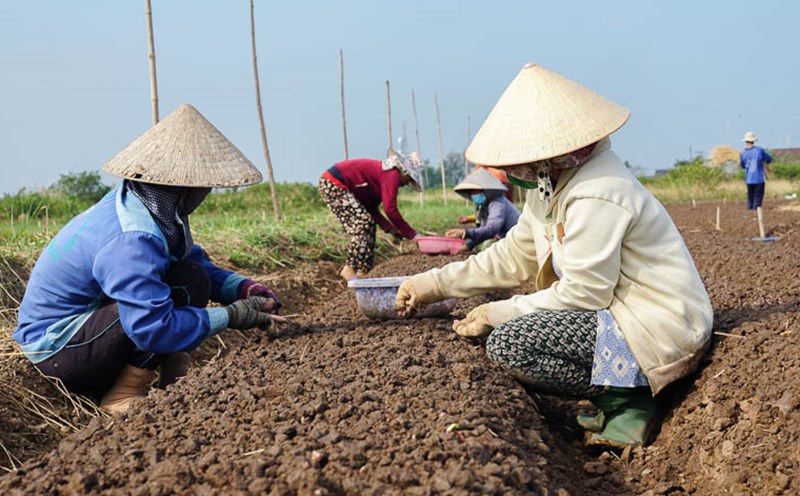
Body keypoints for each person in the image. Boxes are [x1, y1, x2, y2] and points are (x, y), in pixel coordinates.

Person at [396, 63, 713, 448]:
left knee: (511, 343)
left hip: (658, 325)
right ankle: (618, 394)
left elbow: (584, 293)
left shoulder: (598, 192)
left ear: (547, 157)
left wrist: (496, 312)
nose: (514, 171)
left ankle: (631, 400)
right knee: (510, 334)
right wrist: (433, 283)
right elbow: (514, 254)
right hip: (623, 316)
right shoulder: (551, 187)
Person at [13, 104, 283, 414]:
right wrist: (230, 316)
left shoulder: (146, 209)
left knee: (191, 276)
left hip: (88, 330)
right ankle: (126, 390)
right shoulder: (133, 237)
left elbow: (191, 263)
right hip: (61, 349)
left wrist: (242, 288)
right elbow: (149, 326)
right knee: (174, 294)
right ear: (185, 190)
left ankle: (174, 373)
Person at [319, 149, 424, 281]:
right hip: (333, 183)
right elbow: (390, 209)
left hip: (336, 184)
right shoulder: (392, 174)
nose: (406, 184)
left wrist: (390, 228)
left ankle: (363, 270)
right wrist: (413, 235)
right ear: (405, 172)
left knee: (369, 223)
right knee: (363, 222)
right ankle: (349, 268)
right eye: (409, 180)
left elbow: (371, 208)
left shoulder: (383, 178)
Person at [446, 167, 520, 252]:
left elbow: (492, 229)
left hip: (518, 240)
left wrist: (466, 233)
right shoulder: (485, 205)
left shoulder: (497, 203)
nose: (474, 194)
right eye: (472, 192)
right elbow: (484, 230)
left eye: (476, 191)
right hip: (508, 239)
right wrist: (468, 245)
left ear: (486, 190)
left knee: (488, 246)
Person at [740, 131, 773, 210]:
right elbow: (769, 159)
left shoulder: (742, 153)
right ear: (754, 141)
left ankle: (750, 213)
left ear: (746, 141)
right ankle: (756, 214)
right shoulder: (759, 150)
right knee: (757, 199)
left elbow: (743, 165)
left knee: (750, 198)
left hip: (749, 179)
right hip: (759, 179)